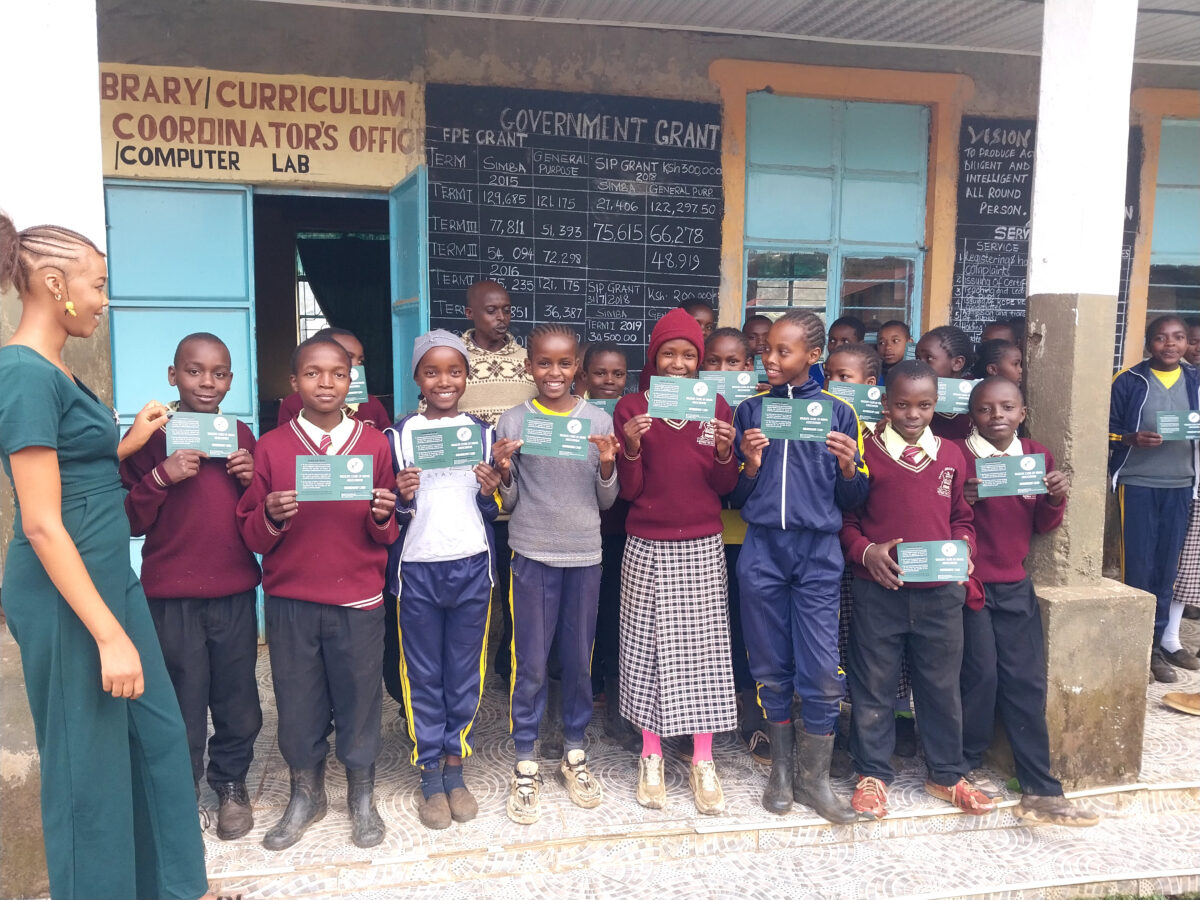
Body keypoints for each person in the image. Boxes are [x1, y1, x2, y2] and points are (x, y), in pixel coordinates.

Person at [0, 213, 220, 900]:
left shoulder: (56, 367)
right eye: (97, 285)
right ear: (54, 283)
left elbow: (78, 468)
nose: (103, 299)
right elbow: (40, 521)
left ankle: (173, 888)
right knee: (87, 768)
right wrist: (107, 634)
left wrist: (129, 443)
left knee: (155, 739)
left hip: (105, 575)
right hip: (67, 593)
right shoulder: (22, 372)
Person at [236, 335, 399, 850]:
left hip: (357, 599)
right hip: (292, 601)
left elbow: (386, 531)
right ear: (294, 383)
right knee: (298, 699)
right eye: (312, 373)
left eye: (336, 373)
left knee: (359, 698)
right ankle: (306, 792)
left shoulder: (374, 443)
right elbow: (250, 534)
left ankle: (360, 794)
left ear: (352, 381)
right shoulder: (273, 446)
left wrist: (381, 514)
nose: (325, 383)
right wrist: (269, 516)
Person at [119, 332, 262, 841]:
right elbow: (129, 521)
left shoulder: (240, 435)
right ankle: (180, 793)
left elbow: (258, 519)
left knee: (237, 696)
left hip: (234, 592)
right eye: (195, 370)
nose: (207, 382)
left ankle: (230, 785)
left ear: (231, 379)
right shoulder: (150, 437)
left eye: (219, 372)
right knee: (180, 699)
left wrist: (252, 481)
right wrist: (161, 475)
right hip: (170, 595)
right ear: (172, 375)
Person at [840, 360, 995, 820]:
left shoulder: (951, 455)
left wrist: (964, 550)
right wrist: (866, 553)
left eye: (924, 405)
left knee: (941, 685)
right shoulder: (865, 452)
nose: (913, 414)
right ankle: (871, 774)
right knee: (873, 684)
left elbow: (961, 519)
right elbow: (847, 521)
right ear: (885, 404)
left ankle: (946, 773)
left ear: (936, 406)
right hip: (878, 590)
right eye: (903, 404)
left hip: (940, 594)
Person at [730, 311, 867, 822]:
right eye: (767, 349)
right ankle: (782, 771)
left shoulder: (839, 413)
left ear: (814, 357)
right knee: (769, 661)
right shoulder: (750, 410)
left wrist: (850, 465)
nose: (770, 358)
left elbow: (854, 496)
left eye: (783, 351)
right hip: (763, 547)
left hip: (817, 551)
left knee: (820, 664)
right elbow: (735, 495)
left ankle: (816, 780)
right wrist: (749, 466)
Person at [384, 330, 514, 830]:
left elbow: (493, 507)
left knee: (464, 670)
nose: (444, 381)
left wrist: (491, 487)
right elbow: (388, 513)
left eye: (454, 371)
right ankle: (428, 770)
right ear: (417, 377)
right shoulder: (396, 437)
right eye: (432, 371)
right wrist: (402, 495)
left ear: (467, 376)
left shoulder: (483, 434)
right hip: (416, 569)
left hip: (470, 566)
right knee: (422, 673)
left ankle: (456, 764)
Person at [957, 376, 1099, 826]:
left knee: (1025, 681)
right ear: (972, 415)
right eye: (985, 409)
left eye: (1006, 407)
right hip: (969, 584)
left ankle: (1041, 786)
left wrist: (1055, 497)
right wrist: (962, 499)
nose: (996, 416)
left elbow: (1043, 525)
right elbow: (941, 516)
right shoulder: (958, 456)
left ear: (1022, 413)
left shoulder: (1036, 456)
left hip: (1014, 583)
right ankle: (959, 767)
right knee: (979, 675)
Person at [615, 308, 740, 815]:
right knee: (647, 645)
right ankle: (650, 753)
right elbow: (631, 491)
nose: (679, 364)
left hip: (703, 543)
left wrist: (728, 454)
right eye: (669, 353)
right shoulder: (631, 407)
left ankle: (702, 757)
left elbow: (723, 487)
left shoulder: (716, 408)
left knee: (703, 649)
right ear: (653, 357)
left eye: (689, 355)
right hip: (646, 541)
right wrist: (631, 447)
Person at [496, 324, 620, 824]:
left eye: (564, 363)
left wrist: (608, 462)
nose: (554, 373)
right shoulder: (513, 421)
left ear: (578, 367)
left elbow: (606, 500)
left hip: (584, 554)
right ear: (529, 367)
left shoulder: (596, 420)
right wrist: (504, 470)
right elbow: (509, 500)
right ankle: (525, 756)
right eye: (543, 363)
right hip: (530, 551)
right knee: (529, 660)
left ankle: (573, 749)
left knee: (577, 660)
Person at [824, 343, 917, 765]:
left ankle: (898, 720)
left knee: (883, 648)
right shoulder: (819, 422)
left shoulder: (883, 436)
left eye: (845, 378)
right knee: (844, 640)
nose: (835, 385)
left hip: (876, 556)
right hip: (835, 551)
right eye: (830, 376)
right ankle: (850, 721)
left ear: (869, 385)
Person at [1109, 315, 1200, 683]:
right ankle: (1137, 646)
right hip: (1138, 482)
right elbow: (1106, 427)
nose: (1171, 344)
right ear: (1149, 344)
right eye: (1161, 338)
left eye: (1178, 338)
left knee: (1167, 569)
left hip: (1181, 483)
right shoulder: (1129, 380)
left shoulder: (1195, 378)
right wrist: (1129, 439)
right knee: (1138, 567)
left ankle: (1161, 643)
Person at [458, 280, 538, 690]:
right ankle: (466, 674)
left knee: (516, 598)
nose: (502, 317)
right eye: (491, 310)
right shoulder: (453, 362)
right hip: (469, 504)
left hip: (521, 503)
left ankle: (510, 670)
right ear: (470, 312)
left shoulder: (530, 363)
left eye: (506, 309)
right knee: (473, 599)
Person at [702, 327, 770, 762]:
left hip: (749, 535)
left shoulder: (764, 407)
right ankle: (708, 711)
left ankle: (754, 713)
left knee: (750, 629)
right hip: (707, 534)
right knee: (710, 628)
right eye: (714, 362)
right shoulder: (687, 404)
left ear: (750, 367)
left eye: (734, 363)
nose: (723, 371)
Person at [580, 343, 640, 750]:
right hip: (581, 530)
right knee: (584, 618)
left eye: (617, 374)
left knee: (617, 615)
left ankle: (616, 702)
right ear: (583, 377)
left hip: (623, 529)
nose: (609, 381)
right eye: (600, 373)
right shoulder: (575, 416)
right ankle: (583, 692)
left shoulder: (634, 416)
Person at [276, 326, 391, 430]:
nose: (355, 366)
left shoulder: (372, 404)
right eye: (348, 357)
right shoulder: (293, 403)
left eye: (360, 360)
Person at [916, 324, 976, 441]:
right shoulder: (912, 395)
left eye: (929, 358)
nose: (919, 365)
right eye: (918, 358)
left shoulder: (977, 397)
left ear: (957, 363)